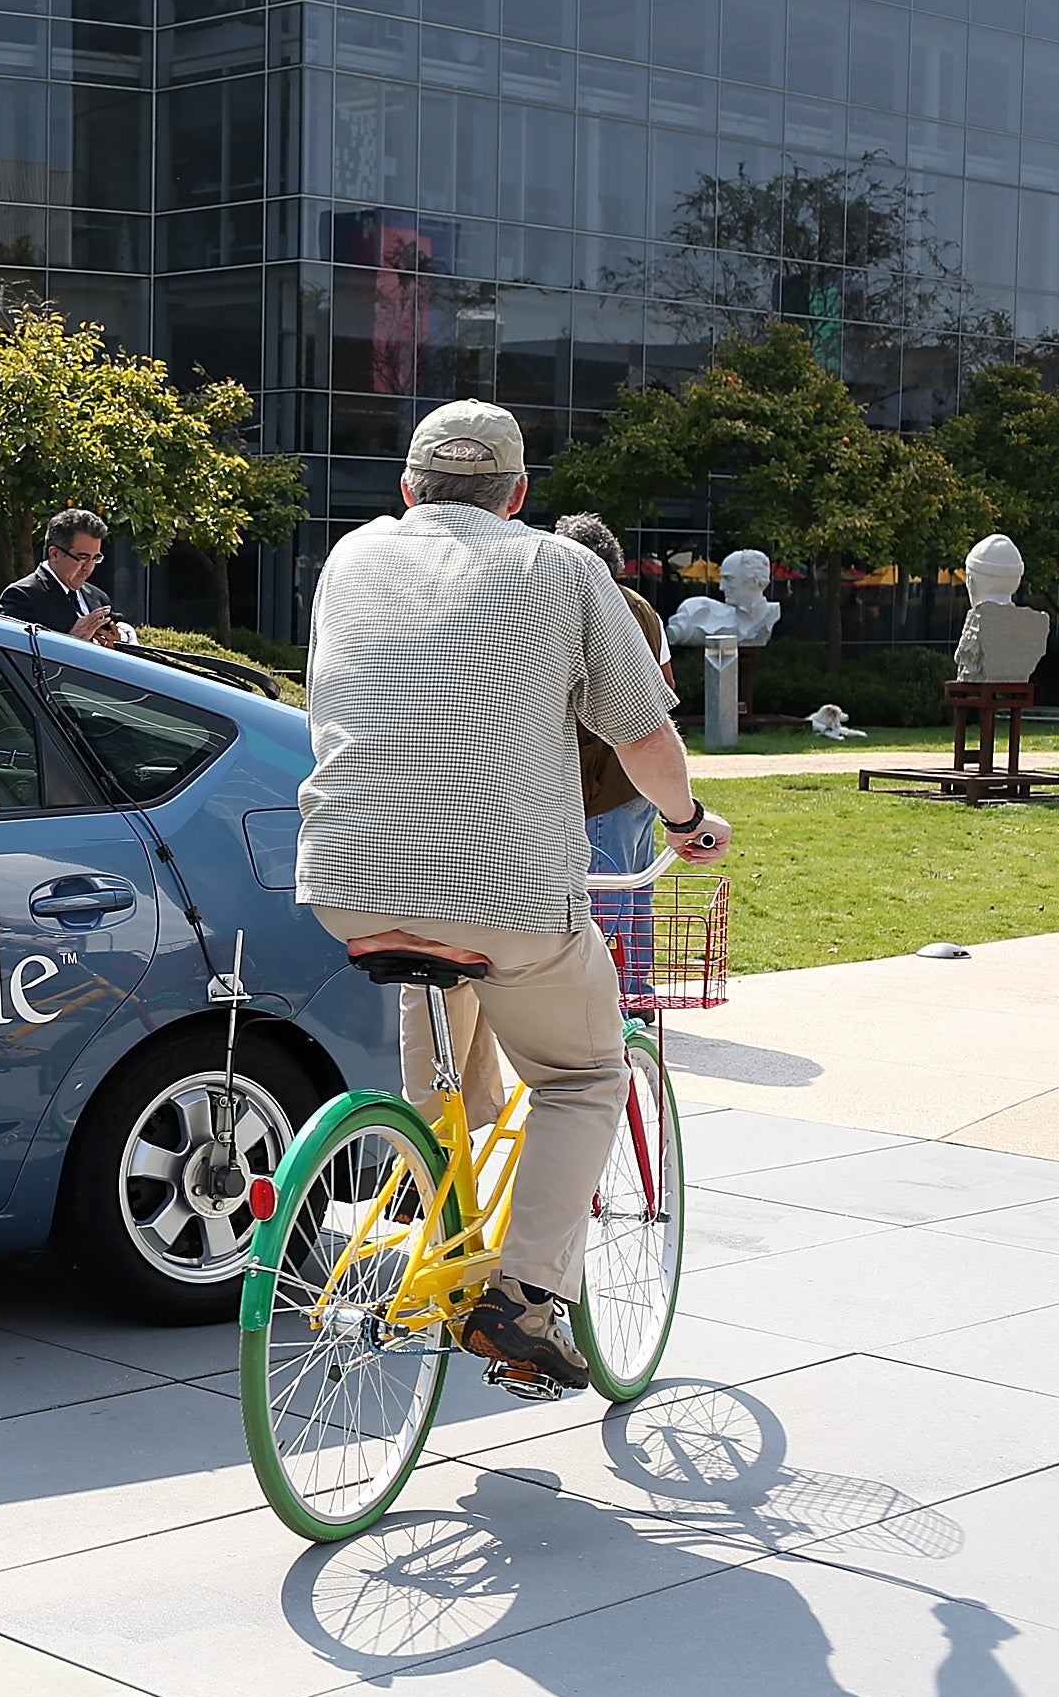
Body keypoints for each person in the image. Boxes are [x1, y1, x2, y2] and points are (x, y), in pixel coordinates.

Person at [296, 401, 732, 1392]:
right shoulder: (566, 569)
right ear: (520, 496)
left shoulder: (352, 560)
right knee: (584, 1075)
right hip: (506, 891)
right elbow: (642, 737)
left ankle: (436, 1181)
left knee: (440, 1013)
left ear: (406, 490)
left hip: (347, 881)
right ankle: (526, 1295)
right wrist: (684, 822)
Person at [555, 512, 677, 1000]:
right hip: (646, 779)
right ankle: (637, 993)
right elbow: (666, 689)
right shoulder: (643, 609)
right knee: (635, 891)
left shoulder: (570, 605)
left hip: (598, 780)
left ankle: (611, 1002)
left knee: (602, 897)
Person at [0, 509, 120, 642]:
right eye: (82, 558)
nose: (89, 567)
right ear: (54, 554)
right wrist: (72, 641)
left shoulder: (99, 598)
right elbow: (13, 655)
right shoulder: (21, 596)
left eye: (95, 558)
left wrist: (114, 647)